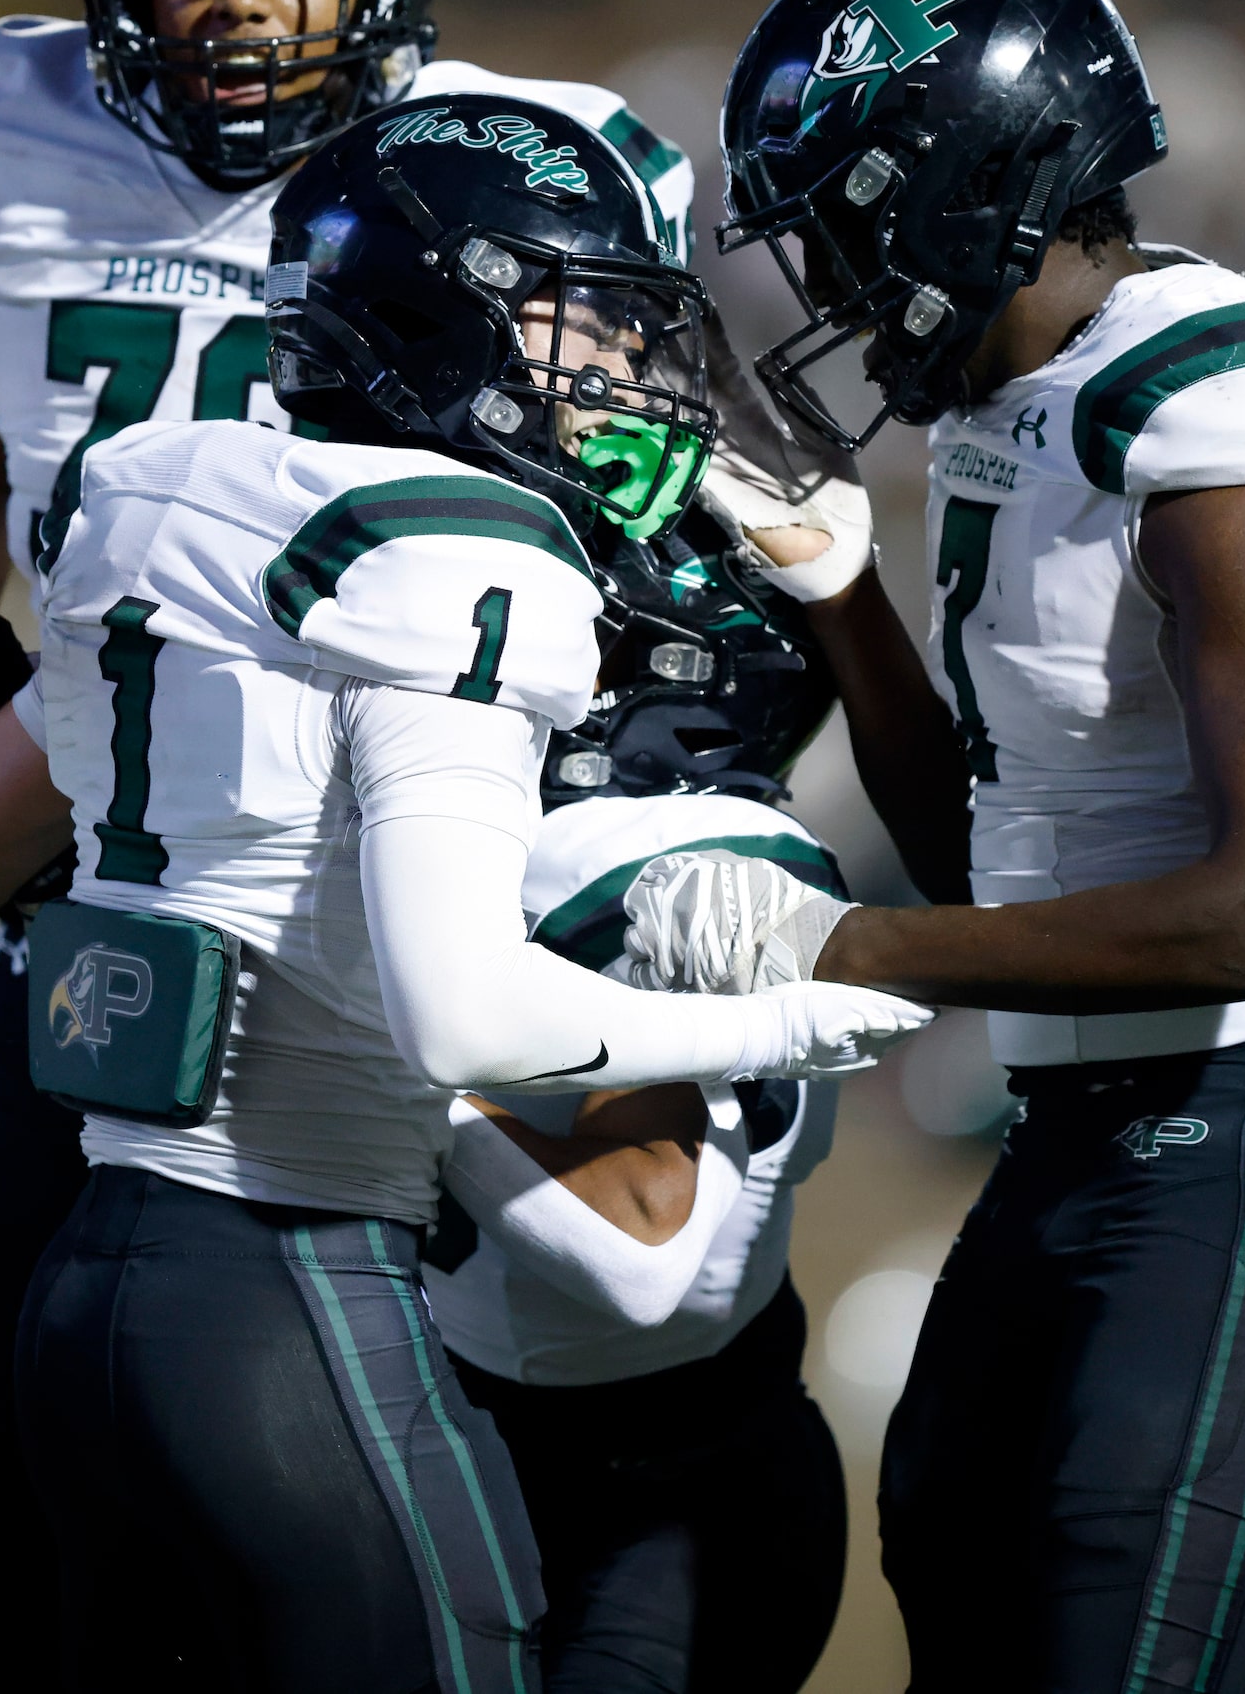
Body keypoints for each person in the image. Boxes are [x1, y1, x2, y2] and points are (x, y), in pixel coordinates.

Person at [0, 95, 933, 1689]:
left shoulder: (157, 483)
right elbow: (465, 1018)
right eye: (582, 322)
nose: (623, 377)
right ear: (441, 305)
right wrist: (789, 1007)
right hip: (293, 1295)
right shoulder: (477, 560)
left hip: (83, 1278)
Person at [0, 0, 698, 1680]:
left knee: (486, 1536)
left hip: (405, 951)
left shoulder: (533, 163)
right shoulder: (9, 141)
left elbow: (654, 557)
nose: (241, 7)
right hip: (104, 947)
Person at [628, 0, 1245, 1691]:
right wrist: (842, 597)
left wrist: (838, 947)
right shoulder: (1026, 404)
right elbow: (993, 872)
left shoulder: (1225, 384)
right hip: (1079, 1133)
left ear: (972, 180)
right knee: (956, 1553)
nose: (828, 277)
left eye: (847, 217)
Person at [426, 507, 853, 1693]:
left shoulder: (668, 850)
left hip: (636, 1498)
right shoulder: (596, 834)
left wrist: (371, 1071)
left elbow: (638, 1232)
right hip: (648, 1453)